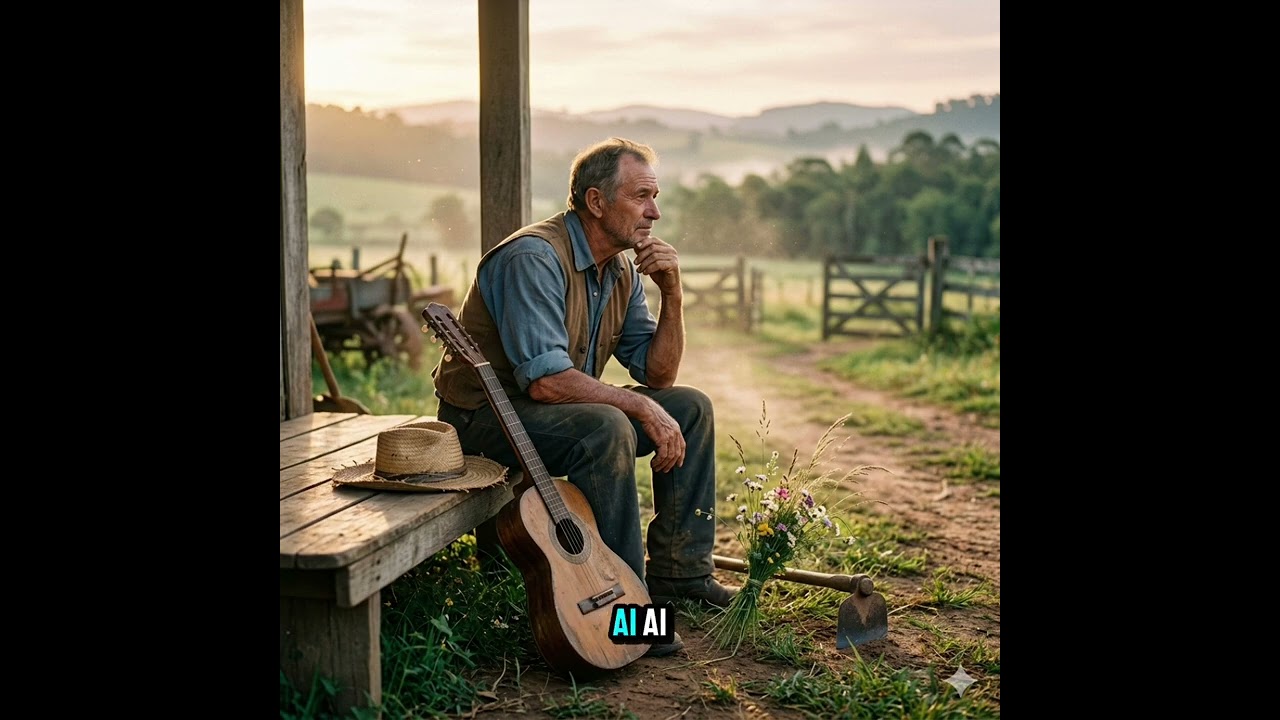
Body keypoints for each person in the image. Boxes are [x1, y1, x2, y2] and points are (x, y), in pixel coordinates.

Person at [432, 137, 737, 657]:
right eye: (641, 196)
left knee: (690, 408)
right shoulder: (533, 257)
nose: (655, 212)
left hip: (546, 411)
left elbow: (659, 374)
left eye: (655, 196)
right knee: (608, 426)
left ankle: (682, 576)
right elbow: (546, 381)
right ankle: (630, 613)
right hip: (483, 418)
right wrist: (638, 406)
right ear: (596, 202)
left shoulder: (620, 266)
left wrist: (674, 294)